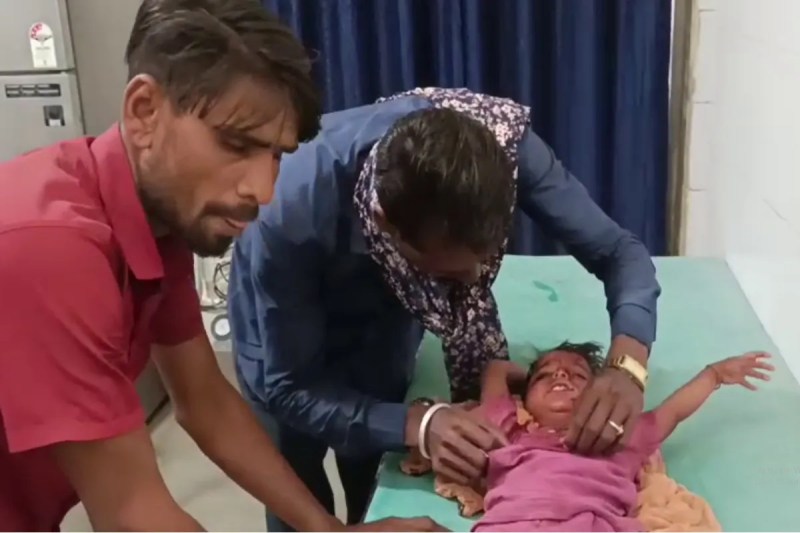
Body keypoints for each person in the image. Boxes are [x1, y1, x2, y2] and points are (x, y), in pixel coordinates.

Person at [0, 1, 444, 531]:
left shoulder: (155, 223)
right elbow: (130, 512)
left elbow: (205, 401)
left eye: (276, 155)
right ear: (144, 111)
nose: (263, 189)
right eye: (236, 144)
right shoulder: (52, 247)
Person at [227, 86, 663, 530]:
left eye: (486, 258)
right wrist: (418, 424)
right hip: (283, 343)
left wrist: (628, 365)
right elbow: (289, 386)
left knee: (371, 475)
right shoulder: (287, 213)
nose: (475, 282)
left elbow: (620, 252)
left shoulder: (507, 148)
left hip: (383, 327)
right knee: (296, 484)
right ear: (385, 226)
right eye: (447, 273)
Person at [470, 344, 774, 531]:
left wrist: (714, 375)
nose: (561, 376)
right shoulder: (510, 429)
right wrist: (525, 376)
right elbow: (496, 370)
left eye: (578, 375)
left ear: (601, 393)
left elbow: (672, 413)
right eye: (545, 375)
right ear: (524, 399)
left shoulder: (619, 434)